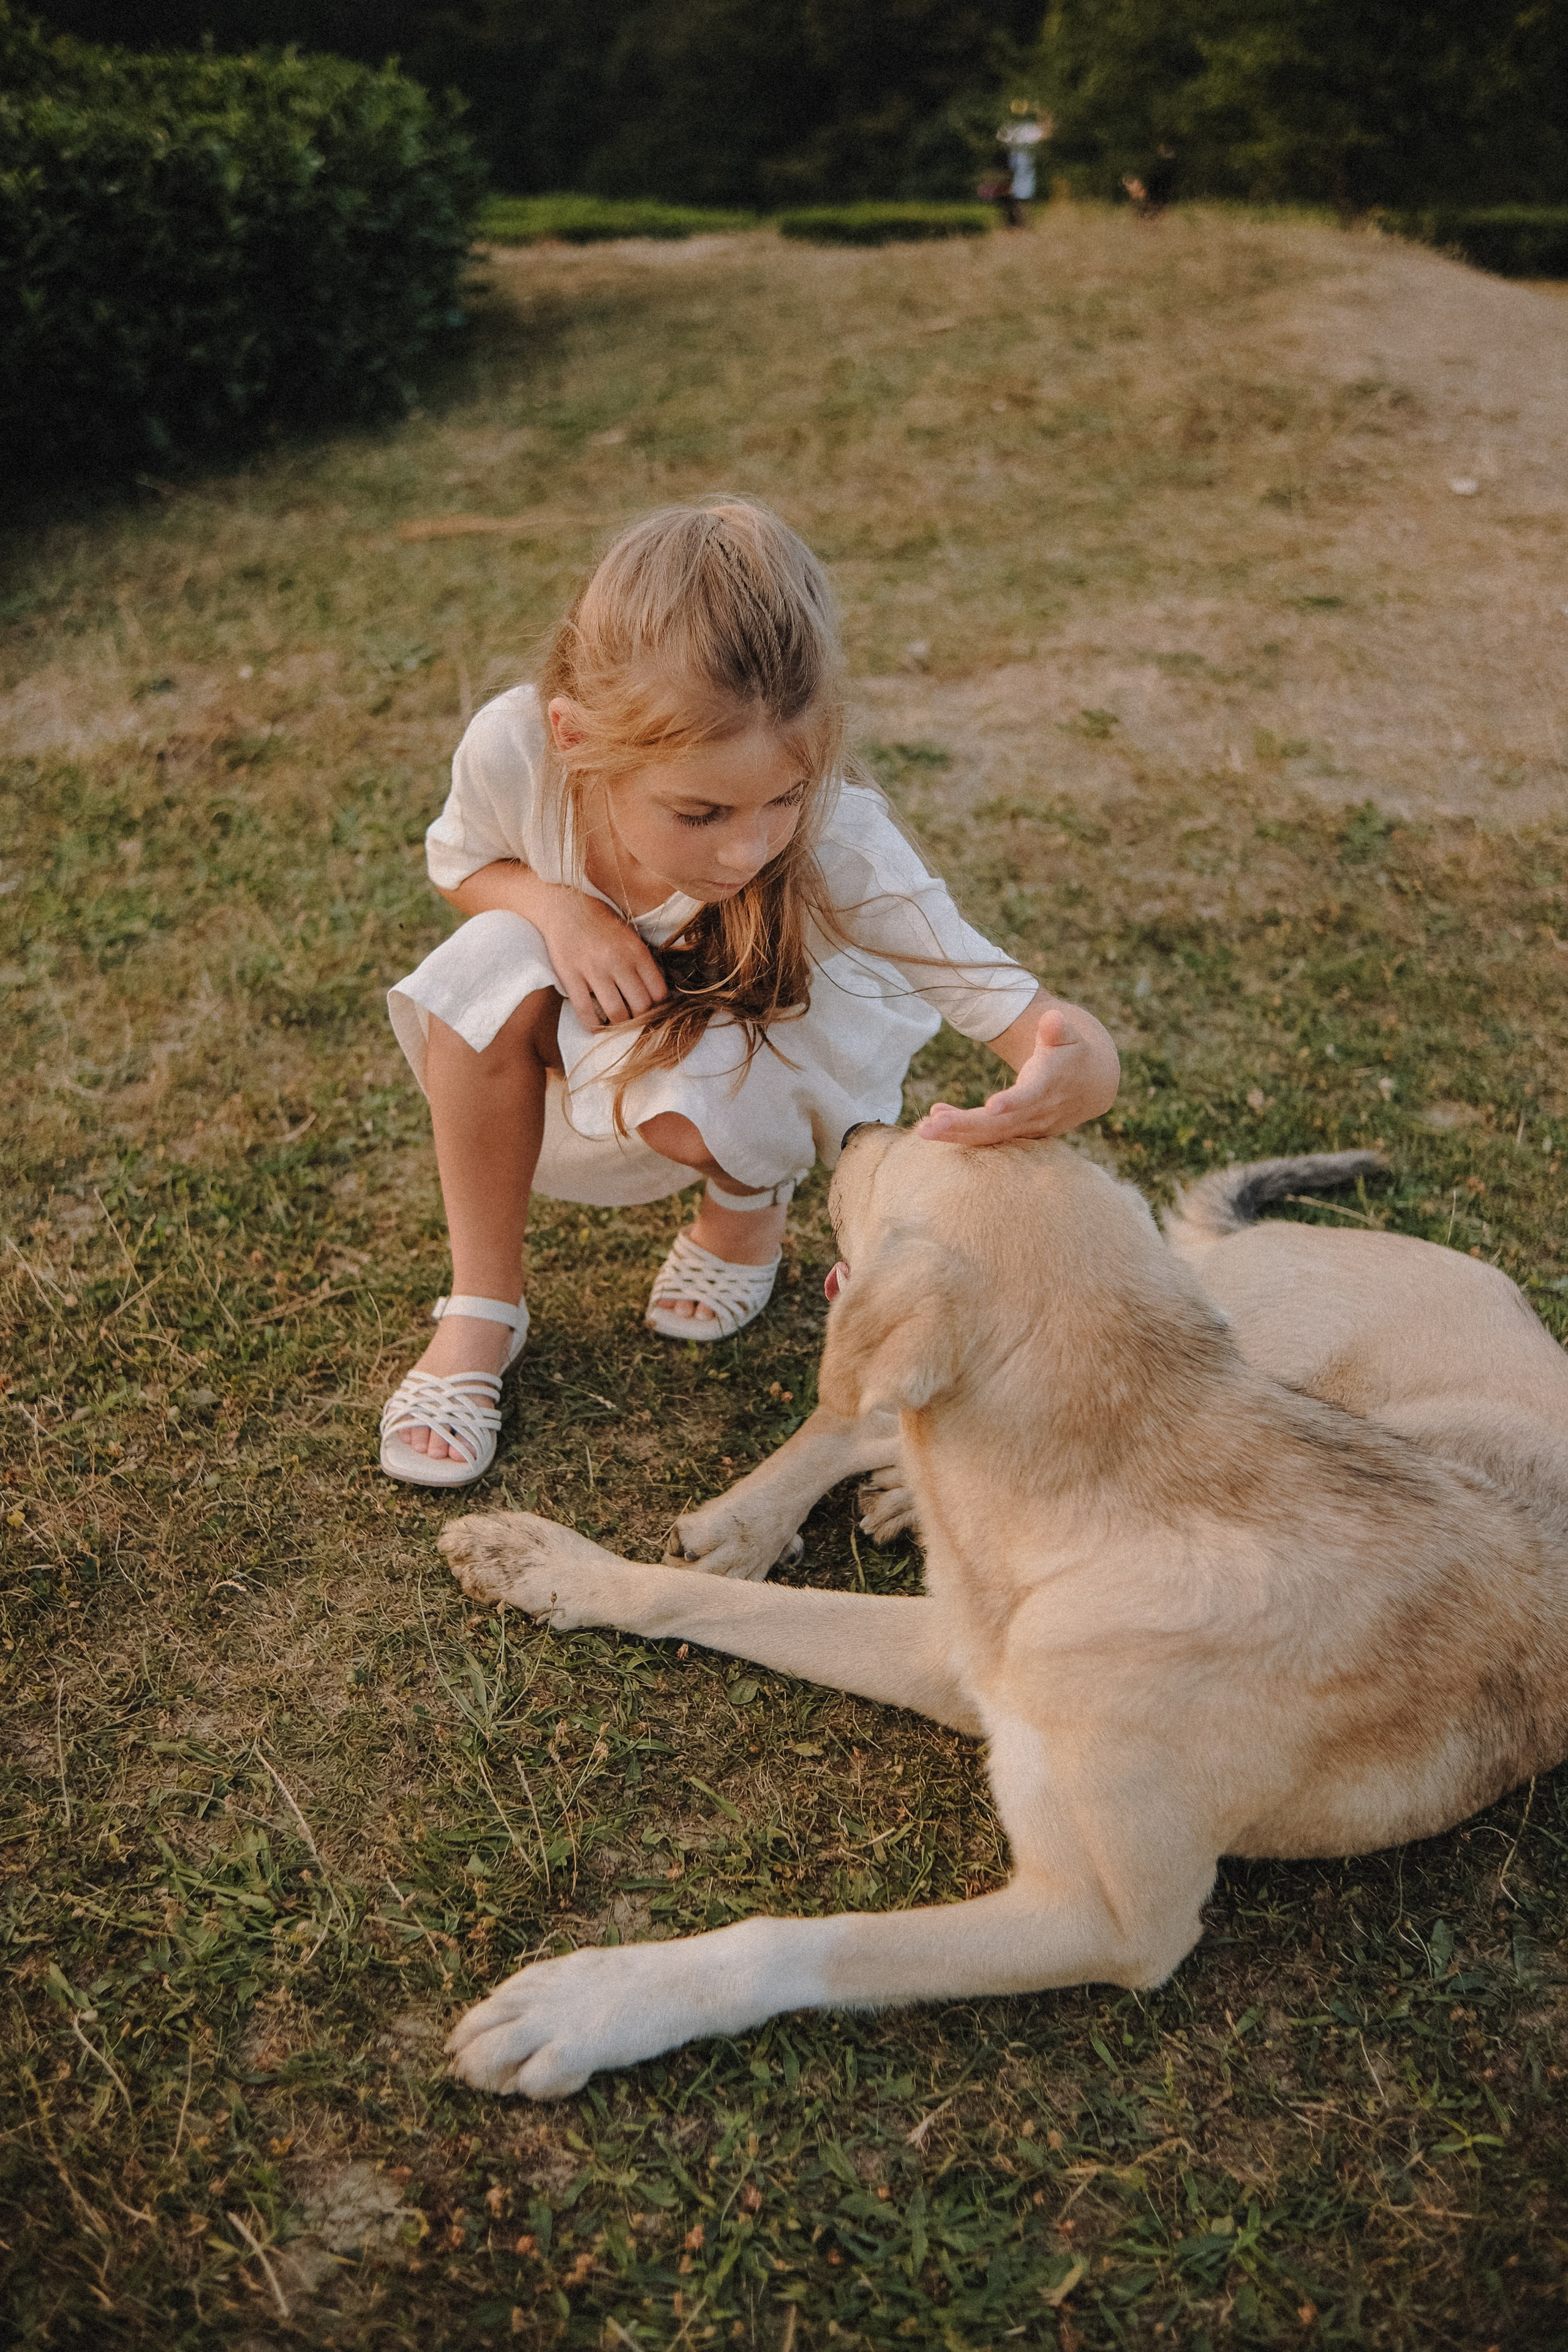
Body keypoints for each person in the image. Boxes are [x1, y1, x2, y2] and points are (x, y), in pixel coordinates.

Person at [379, 499, 1120, 1488]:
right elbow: (462, 865)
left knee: (706, 1117)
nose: (748, 847)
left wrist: (1080, 1069)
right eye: (701, 811)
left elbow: (1025, 1016)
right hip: (601, 1009)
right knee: (479, 966)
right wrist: (559, 910)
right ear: (575, 737)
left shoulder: (842, 847)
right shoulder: (512, 747)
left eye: (785, 798)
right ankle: (483, 1309)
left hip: (762, 1041)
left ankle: (744, 1205)